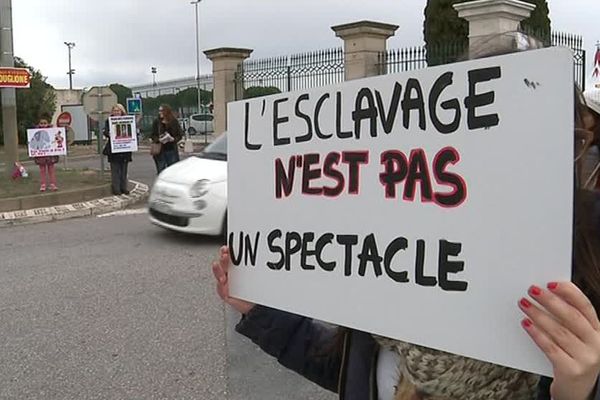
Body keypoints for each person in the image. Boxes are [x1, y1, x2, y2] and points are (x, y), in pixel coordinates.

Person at [212, 34, 600, 400]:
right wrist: (260, 310)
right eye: (488, 135)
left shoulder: (586, 267)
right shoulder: (401, 250)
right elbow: (345, 370)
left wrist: (580, 389)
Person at [103, 104, 132, 195]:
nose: (116, 112)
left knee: (124, 169)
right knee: (115, 170)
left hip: (125, 148)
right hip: (114, 148)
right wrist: (109, 133)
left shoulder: (127, 120)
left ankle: (124, 187)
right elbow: (106, 132)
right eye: (115, 111)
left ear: (122, 111)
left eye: (118, 110)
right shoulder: (109, 121)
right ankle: (116, 189)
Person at [151, 104, 182, 174]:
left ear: (167, 111)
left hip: (171, 150)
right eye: (159, 111)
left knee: (172, 171)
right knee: (161, 171)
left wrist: (173, 139)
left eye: (162, 111)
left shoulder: (174, 122)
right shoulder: (157, 122)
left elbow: (179, 135)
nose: (160, 112)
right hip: (160, 150)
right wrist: (159, 139)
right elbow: (153, 135)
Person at [32, 116, 59, 192]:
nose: (43, 125)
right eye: (41, 123)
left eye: (45, 123)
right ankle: (43, 184)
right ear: (39, 123)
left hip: (50, 155)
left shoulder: (52, 131)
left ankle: (53, 184)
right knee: (42, 170)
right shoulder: (35, 132)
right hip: (41, 155)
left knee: (51, 170)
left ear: (48, 123)